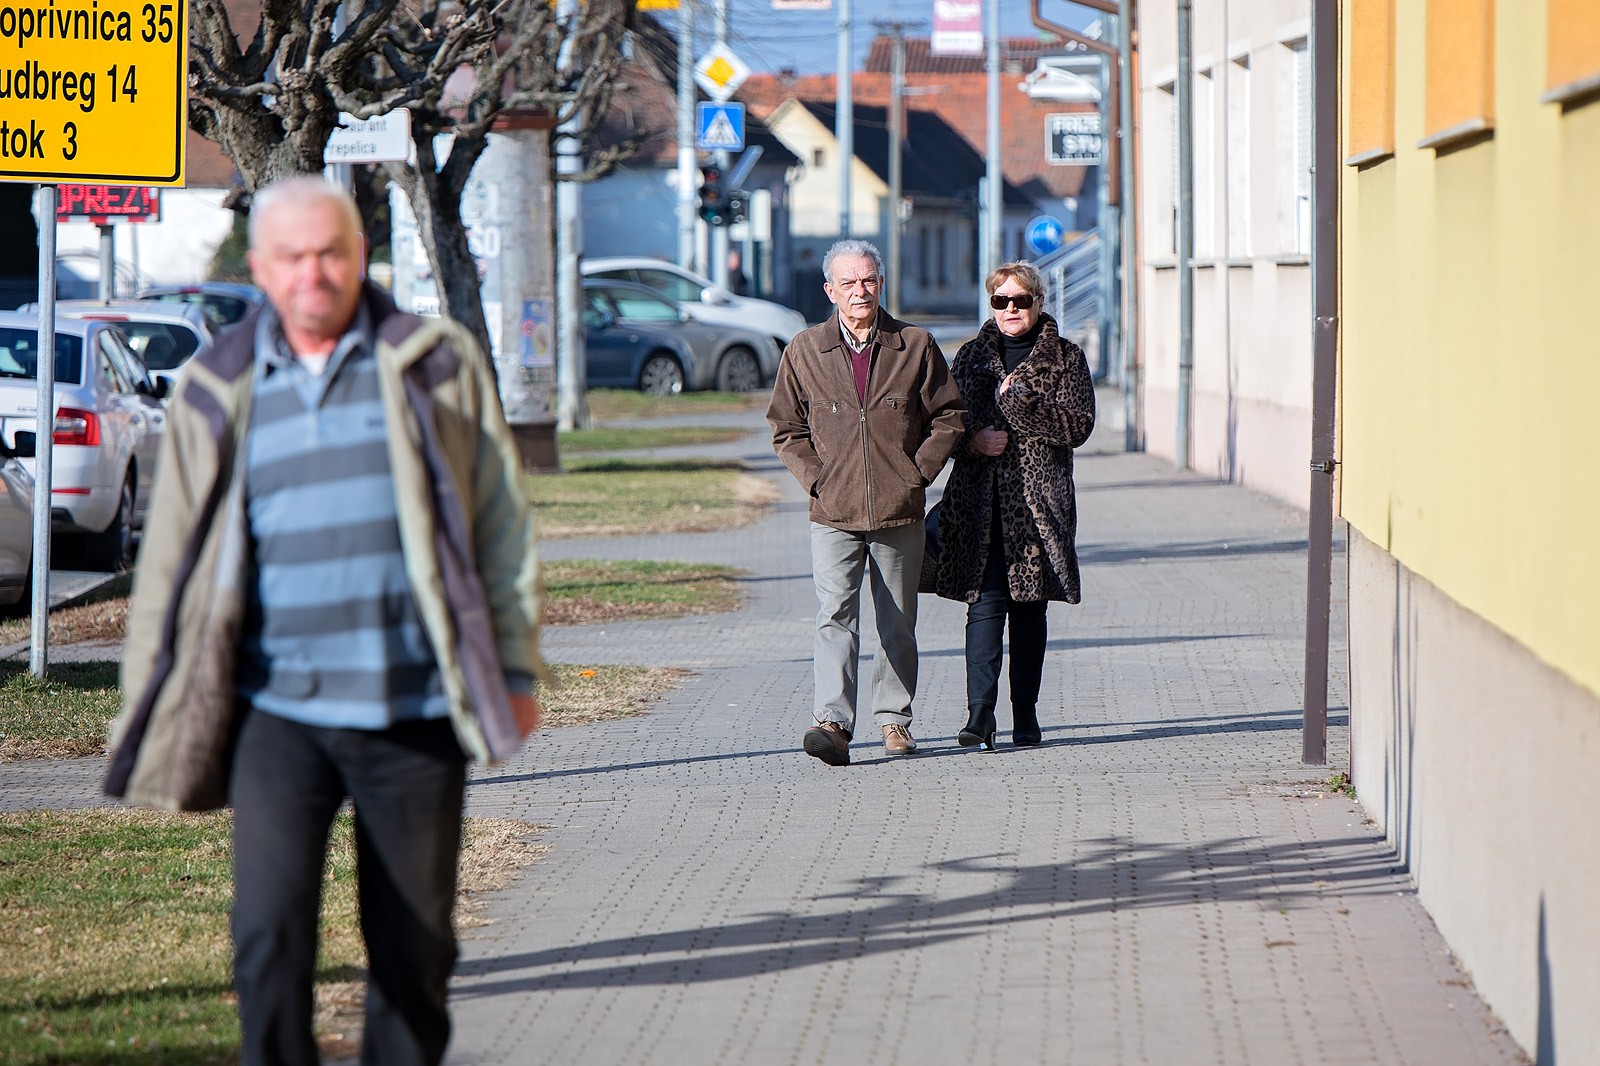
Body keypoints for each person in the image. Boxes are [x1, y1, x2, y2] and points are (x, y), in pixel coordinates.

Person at [105, 175, 546, 1066]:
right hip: (278, 715)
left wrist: (515, 666)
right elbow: (169, 566)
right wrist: (146, 697)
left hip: (413, 708)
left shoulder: (431, 359)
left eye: (333, 252)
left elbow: (500, 522)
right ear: (262, 269)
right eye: (295, 257)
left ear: (359, 255)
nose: (316, 272)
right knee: (267, 935)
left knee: (415, 951)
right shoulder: (215, 385)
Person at [768, 239, 965, 765]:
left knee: (897, 619)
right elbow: (786, 428)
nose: (861, 291)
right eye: (850, 283)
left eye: (870, 281)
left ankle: (895, 720)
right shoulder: (804, 350)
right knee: (834, 613)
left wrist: (917, 473)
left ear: (881, 285)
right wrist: (817, 480)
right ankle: (832, 722)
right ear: (830, 290)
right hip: (832, 511)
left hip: (900, 509)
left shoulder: (915, 345)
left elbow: (949, 417)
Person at [934, 261, 1095, 749]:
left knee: (1030, 612)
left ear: (1039, 304)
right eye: (1000, 301)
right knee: (982, 605)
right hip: (979, 504)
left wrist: (1021, 406)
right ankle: (979, 714)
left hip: (1036, 507)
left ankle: (1025, 715)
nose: (1010, 310)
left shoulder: (1066, 358)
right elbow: (944, 424)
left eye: (1020, 301)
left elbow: (1079, 426)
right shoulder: (970, 357)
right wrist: (974, 442)